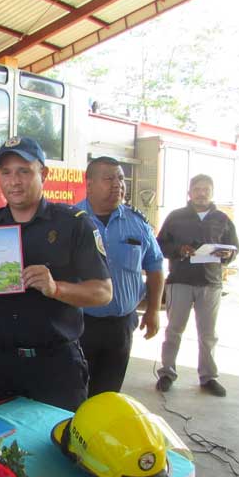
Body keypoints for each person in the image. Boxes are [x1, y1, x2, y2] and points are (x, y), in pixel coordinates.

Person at [0, 137, 112, 411]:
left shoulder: (74, 225)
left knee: (59, 446)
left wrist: (56, 288)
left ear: (44, 174)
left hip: (57, 365)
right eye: (6, 172)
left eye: (24, 171)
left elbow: (103, 292)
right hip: (4, 361)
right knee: (5, 448)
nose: (14, 181)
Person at [76, 156, 164, 396]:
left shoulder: (137, 223)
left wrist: (153, 310)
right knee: (75, 392)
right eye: (109, 179)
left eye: (121, 178)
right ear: (90, 184)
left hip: (121, 325)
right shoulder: (71, 222)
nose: (118, 184)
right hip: (80, 324)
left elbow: (155, 266)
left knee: (109, 393)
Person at [155, 174, 239, 397]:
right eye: (197, 189)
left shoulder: (222, 219)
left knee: (208, 334)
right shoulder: (175, 217)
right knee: (174, 330)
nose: (202, 193)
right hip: (180, 281)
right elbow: (160, 245)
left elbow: (234, 249)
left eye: (206, 189)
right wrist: (179, 250)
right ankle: (167, 373)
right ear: (189, 193)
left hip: (210, 283)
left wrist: (227, 255)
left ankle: (208, 377)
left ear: (212, 193)